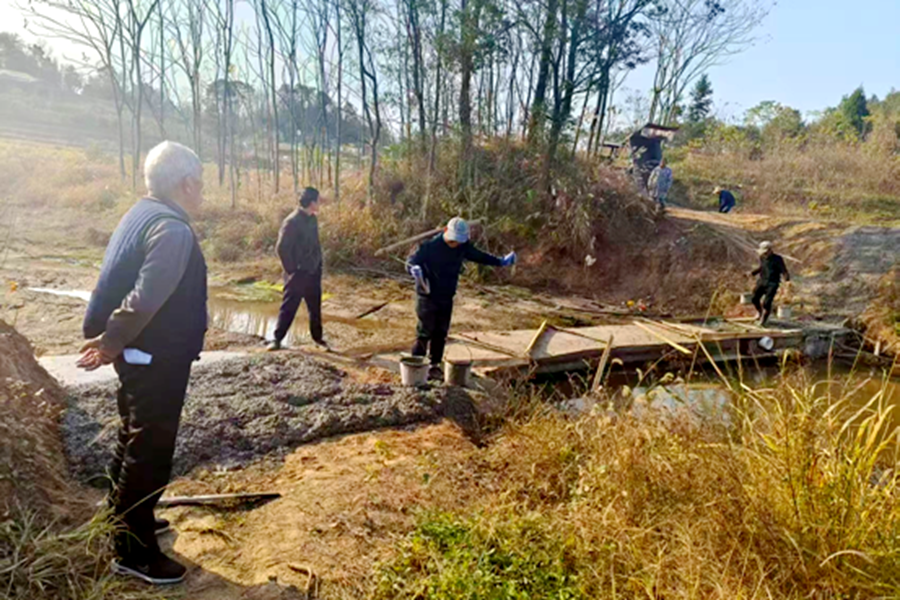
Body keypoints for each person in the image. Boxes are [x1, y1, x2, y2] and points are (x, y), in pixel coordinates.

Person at [79, 141, 207, 585]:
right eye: (200, 183)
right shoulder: (173, 230)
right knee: (150, 448)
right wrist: (110, 343)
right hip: (153, 356)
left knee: (133, 434)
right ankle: (133, 551)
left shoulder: (143, 211)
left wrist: (113, 342)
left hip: (140, 352)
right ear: (187, 184)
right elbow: (144, 298)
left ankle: (121, 517)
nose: (202, 191)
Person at [407, 218, 516, 380]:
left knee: (440, 332)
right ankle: (415, 367)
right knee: (425, 331)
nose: (455, 244)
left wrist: (500, 261)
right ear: (446, 232)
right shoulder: (428, 246)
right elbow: (411, 261)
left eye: (458, 242)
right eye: (453, 241)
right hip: (427, 296)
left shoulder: (462, 247)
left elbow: (479, 256)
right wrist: (413, 269)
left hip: (446, 296)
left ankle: (434, 366)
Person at [269, 187, 326, 351]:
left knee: (315, 307)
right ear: (311, 202)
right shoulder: (292, 221)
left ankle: (318, 339)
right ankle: (277, 339)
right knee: (289, 307)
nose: (320, 203)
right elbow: (281, 248)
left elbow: (316, 245)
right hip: (297, 274)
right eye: (318, 200)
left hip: (313, 272)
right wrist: (292, 270)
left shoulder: (313, 219)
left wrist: (318, 264)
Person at [750, 241, 790, 326]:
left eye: (766, 252)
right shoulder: (762, 257)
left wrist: (786, 278)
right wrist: (753, 273)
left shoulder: (777, 259)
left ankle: (763, 320)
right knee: (754, 298)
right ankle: (760, 312)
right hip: (762, 281)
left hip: (772, 283)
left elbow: (783, 269)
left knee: (767, 303)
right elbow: (762, 267)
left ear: (770, 250)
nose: (764, 254)